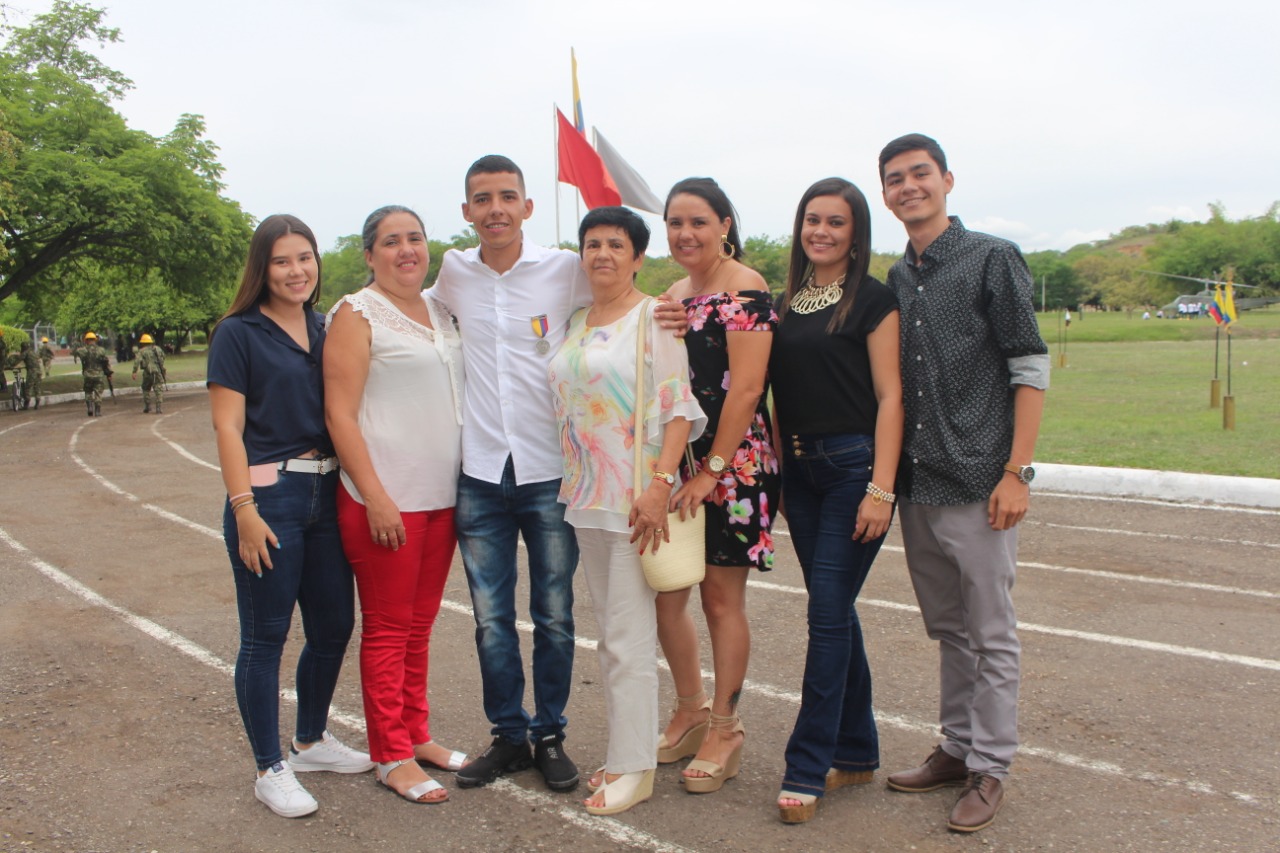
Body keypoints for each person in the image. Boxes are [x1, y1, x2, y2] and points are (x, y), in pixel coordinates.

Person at [877, 133, 1048, 833]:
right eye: (894, 178)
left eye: (920, 173)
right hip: (919, 482)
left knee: (991, 630)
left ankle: (991, 766)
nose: (908, 186)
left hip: (981, 479)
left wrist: (1017, 472)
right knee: (950, 628)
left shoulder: (991, 259)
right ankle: (955, 746)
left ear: (947, 179)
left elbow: (1029, 367)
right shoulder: (896, 276)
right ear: (885, 193)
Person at [427, 155, 590, 793]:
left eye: (507, 197)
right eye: (481, 198)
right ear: (466, 211)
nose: (495, 208)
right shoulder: (453, 272)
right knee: (490, 616)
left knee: (553, 613)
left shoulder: (564, 269)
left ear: (526, 206)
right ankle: (508, 735)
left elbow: (617, 299)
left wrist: (661, 313)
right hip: (480, 473)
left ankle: (549, 733)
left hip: (550, 470)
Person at [207, 214, 373, 820]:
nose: (296, 270)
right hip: (269, 497)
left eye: (305, 257)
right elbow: (227, 426)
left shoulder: (326, 327)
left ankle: (309, 742)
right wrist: (243, 508)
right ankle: (269, 767)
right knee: (265, 637)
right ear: (262, 268)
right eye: (282, 261)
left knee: (333, 627)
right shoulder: (237, 332)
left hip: (327, 496)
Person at [550, 206, 706, 816]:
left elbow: (677, 406)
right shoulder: (578, 318)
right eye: (592, 244)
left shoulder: (655, 318)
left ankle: (636, 769)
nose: (603, 254)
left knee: (626, 639)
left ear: (638, 258)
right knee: (614, 638)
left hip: (634, 500)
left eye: (617, 244)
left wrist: (659, 484)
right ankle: (625, 755)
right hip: (585, 496)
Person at [770, 178, 903, 823]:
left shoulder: (875, 300)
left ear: (856, 234)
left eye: (836, 222)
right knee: (836, 610)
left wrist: (881, 486)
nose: (821, 231)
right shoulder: (786, 301)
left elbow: (890, 398)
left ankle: (807, 763)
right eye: (812, 220)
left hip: (855, 472)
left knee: (825, 614)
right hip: (800, 475)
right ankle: (855, 750)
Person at [324, 205, 466, 805]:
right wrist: (376, 496)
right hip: (385, 500)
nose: (405, 250)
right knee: (387, 628)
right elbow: (340, 413)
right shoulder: (356, 314)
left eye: (414, 238)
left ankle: (416, 734)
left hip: (442, 496)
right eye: (390, 241)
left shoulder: (440, 307)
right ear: (370, 254)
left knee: (421, 627)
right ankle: (390, 755)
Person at [656, 177, 780, 795]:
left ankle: (726, 729)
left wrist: (712, 472)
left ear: (726, 224)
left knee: (719, 601)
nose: (685, 234)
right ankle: (690, 708)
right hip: (679, 464)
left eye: (698, 221)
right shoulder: (674, 292)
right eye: (675, 222)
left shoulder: (746, 286)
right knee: (667, 592)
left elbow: (748, 387)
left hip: (735, 467)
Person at [78, 332, 112, 417]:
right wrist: (109, 373)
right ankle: (97, 411)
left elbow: (77, 352)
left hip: (87, 375)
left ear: (86, 340)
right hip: (99, 375)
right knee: (98, 393)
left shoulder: (82, 350)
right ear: (95, 340)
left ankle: (90, 407)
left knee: (88, 391)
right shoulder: (101, 350)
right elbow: (106, 362)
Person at [132, 333, 167, 414]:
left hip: (148, 372)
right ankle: (158, 408)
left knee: (145, 388)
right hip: (158, 371)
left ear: (143, 342)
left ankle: (147, 406)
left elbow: (137, 361)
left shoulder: (141, 351)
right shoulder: (157, 349)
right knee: (158, 389)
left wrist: (134, 372)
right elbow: (163, 357)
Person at [19, 341, 42, 409]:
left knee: (29, 386)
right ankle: (37, 403)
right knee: (37, 387)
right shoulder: (33, 352)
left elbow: (19, 358)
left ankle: (26, 404)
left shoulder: (26, 352)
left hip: (32, 371)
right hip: (39, 371)